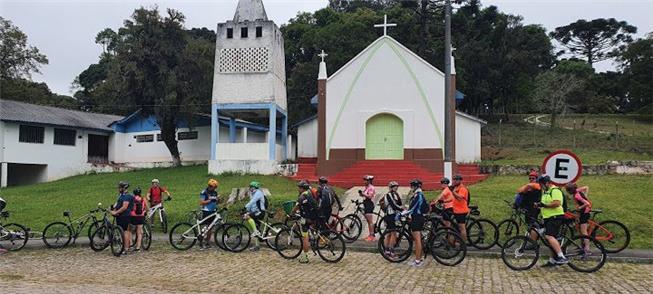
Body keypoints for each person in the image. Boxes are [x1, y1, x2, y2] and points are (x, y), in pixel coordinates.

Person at [535, 175, 569, 266]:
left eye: (541, 184)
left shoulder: (555, 190)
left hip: (555, 217)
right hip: (548, 217)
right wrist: (539, 205)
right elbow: (546, 203)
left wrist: (544, 205)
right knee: (549, 240)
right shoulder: (546, 192)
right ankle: (552, 260)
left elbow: (557, 203)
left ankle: (561, 256)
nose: (540, 186)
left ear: (546, 183)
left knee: (549, 236)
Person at [401, 179, 428, 267]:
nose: (411, 188)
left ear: (415, 186)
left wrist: (403, 213)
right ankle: (419, 258)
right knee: (418, 239)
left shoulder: (418, 195)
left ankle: (417, 261)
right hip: (417, 217)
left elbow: (413, 208)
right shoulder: (418, 194)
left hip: (417, 217)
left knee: (417, 240)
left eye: (412, 186)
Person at [293, 180, 319, 264]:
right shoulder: (309, 193)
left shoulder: (302, 197)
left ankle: (305, 256)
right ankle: (313, 238)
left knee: (305, 237)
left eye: (299, 188)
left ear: (302, 188)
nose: (298, 189)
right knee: (308, 229)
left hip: (307, 218)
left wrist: (291, 214)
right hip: (314, 216)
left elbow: (296, 207)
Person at [516, 170, 542, 241]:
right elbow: (519, 191)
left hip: (534, 208)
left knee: (532, 225)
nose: (531, 180)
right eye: (530, 178)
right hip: (528, 208)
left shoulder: (538, 185)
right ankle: (533, 240)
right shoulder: (529, 186)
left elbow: (522, 190)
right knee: (529, 224)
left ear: (536, 179)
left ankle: (533, 243)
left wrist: (527, 186)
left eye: (533, 178)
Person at [566, 182, 592, 253]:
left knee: (584, 231)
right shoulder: (577, 190)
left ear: (570, 191)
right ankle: (582, 246)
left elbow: (587, 203)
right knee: (580, 230)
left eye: (567, 191)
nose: (567, 192)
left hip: (585, 212)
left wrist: (580, 207)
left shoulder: (577, 195)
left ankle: (587, 248)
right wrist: (585, 196)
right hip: (583, 212)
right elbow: (586, 187)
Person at [110, 181, 134, 255]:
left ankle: (125, 248)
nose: (118, 189)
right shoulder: (122, 195)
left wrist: (116, 212)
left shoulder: (127, 196)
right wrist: (112, 208)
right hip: (122, 216)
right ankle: (128, 246)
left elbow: (124, 207)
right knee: (125, 231)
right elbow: (117, 204)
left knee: (125, 232)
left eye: (119, 188)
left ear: (123, 188)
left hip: (124, 216)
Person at [382, 181, 403, 257]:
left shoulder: (395, 194)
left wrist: (398, 197)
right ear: (390, 188)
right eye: (394, 186)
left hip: (392, 215)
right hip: (390, 215)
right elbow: (394, 205)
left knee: (389, 233)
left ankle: (386, 250)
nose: (396, 188)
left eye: (397, 186)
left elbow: (399, 203)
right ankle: (391, 250)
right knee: (393, 233)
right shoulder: (388, 195)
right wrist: (402, 209)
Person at [244, 181, 266, 251]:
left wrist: (245, 207)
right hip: (255, 212)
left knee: (247, 217)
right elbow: (251, 204)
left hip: (260, 212)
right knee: (256, 228)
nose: (249, 188)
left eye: (250, 187)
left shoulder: (258, 193)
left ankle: (256, 231)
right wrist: (247, 210)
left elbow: (252, 201)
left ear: (253, 187)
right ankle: (257, 246)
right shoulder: (252, 193)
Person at [198, 179, 219, 250]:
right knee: (206, 227)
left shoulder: (215, 193)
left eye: (216, 187)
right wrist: (210, 201)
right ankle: (200, 242)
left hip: (213, 211)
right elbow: (201, 202)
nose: (215, 188)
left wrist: (218, 200)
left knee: (210, 228)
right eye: (214, 187)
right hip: (206, 211)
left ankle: (207, 242)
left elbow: (216, 202)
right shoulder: (204, 192)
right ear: (210, 186)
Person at [451, 175, 470, 243]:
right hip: (456, 210)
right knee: (456, 227)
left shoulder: (462, 188)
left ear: (460, 180)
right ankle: (455, 241)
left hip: (461, 211)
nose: (454, 181)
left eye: (456, 180)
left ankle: (464, 244)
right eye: (454, 180)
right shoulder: (456, 187)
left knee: (462, 228)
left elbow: (459, 198)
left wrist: (453, 192)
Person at [359, 175, 376, 241]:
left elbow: (370, 196)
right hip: (366, 203)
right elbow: (365, 195)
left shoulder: (371, 187)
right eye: (364, 180)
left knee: (370, 221)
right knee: (368, 221)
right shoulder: (367, 187)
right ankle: (370, 234)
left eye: (366, 180)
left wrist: (363, 194)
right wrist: (361, 194)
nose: (364, 181)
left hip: (369, 204)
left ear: (369, 181)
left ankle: (372, 236)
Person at [129, 187, 147, 252]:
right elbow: (146, 208)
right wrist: (144, 211)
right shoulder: (143, 199)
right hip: (141, 217)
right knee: (139, 233)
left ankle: (131, 244)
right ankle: (138, 247)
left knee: (129, 230)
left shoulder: (132, 199)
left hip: (133, 216)